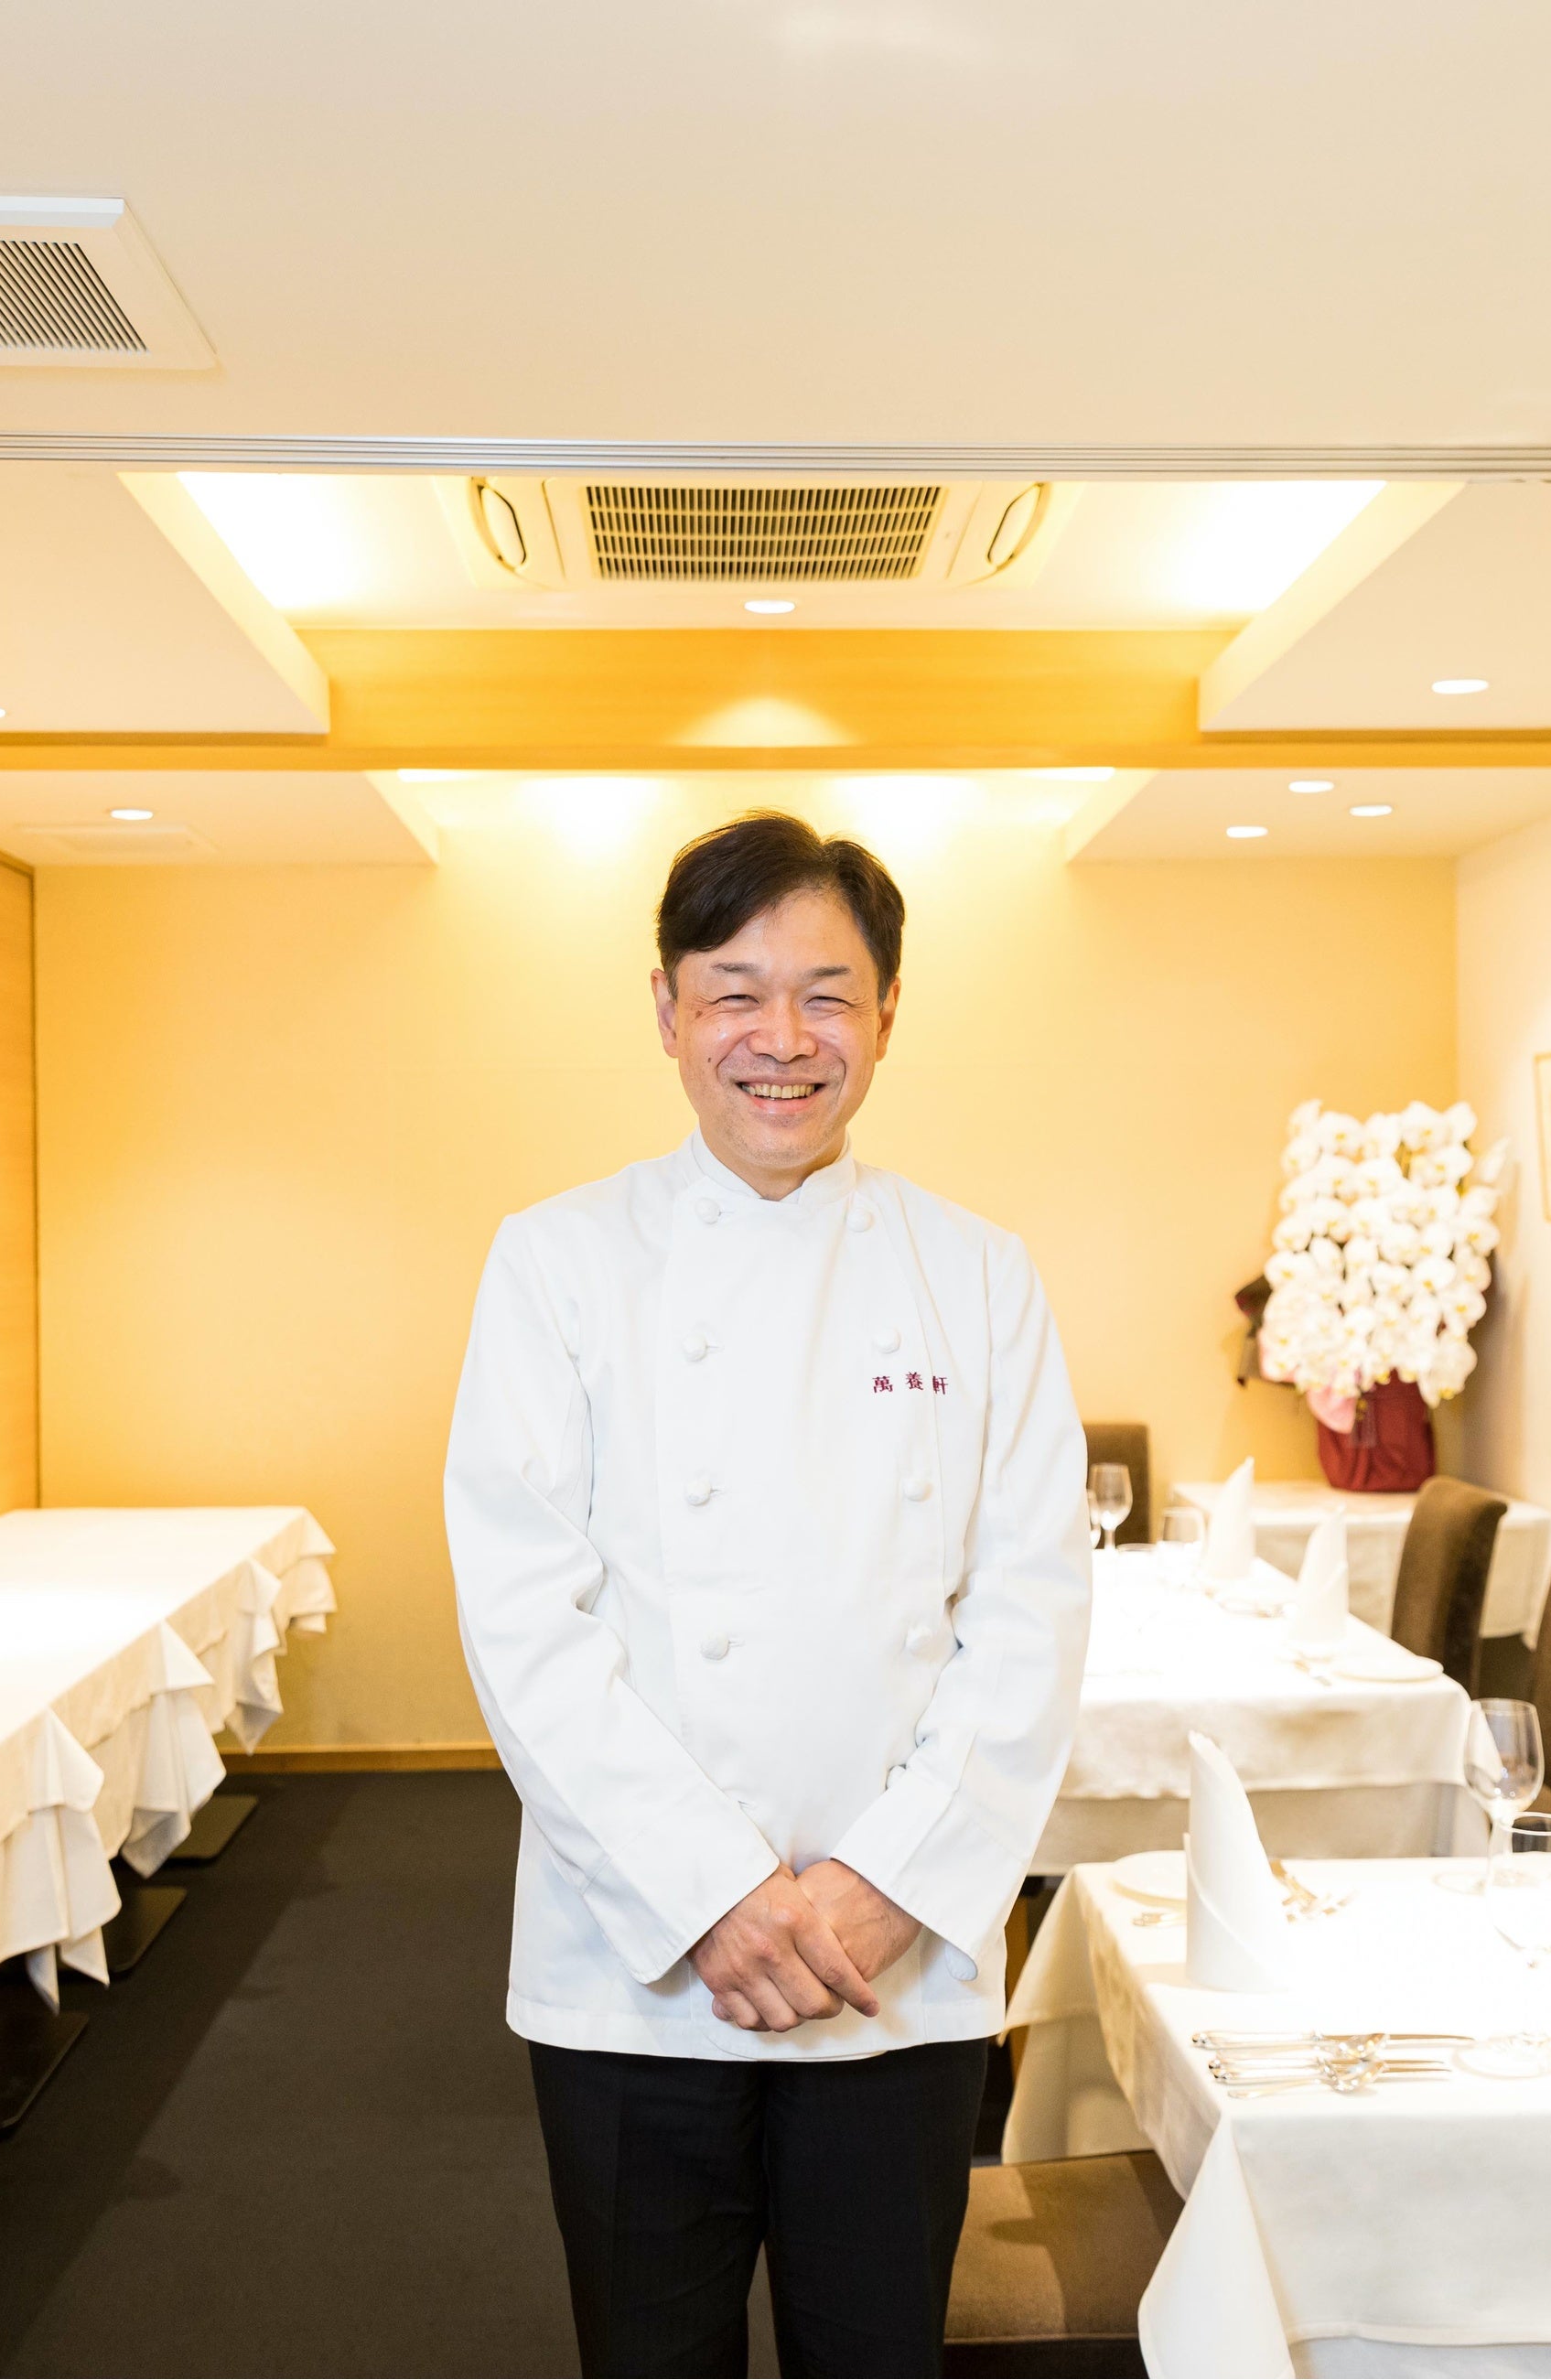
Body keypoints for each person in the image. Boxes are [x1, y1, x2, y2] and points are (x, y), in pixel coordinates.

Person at [445, 811, 1092, 2377]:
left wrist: (880, 1885)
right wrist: (715, 1897)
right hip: (638, 1969)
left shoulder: (980, 1273)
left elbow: (1031, 1615)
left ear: (887, 1014)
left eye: (826, 994)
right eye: (735, 992)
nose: (782, 1039)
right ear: (666, 1011)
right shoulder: (556, 1262)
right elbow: (528, 1625)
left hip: (893, 1967)